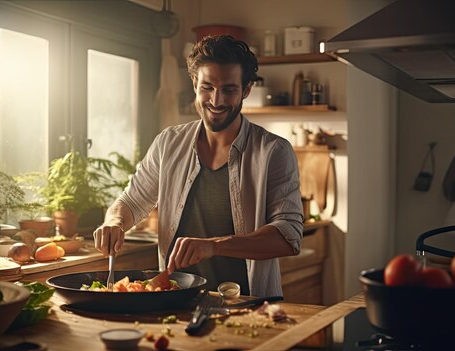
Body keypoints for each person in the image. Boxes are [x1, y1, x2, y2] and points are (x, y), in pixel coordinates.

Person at [93, 35, 303, 297]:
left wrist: (214, 246)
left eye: (229, 89)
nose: (216, 100)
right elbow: (132, 202)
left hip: (250, 306)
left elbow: (289, 236)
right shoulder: (168, 144)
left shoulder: (274, 151)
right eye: (207, 87)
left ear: (246, 89)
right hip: (177, 302)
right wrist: (114, 222)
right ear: (194, 83)